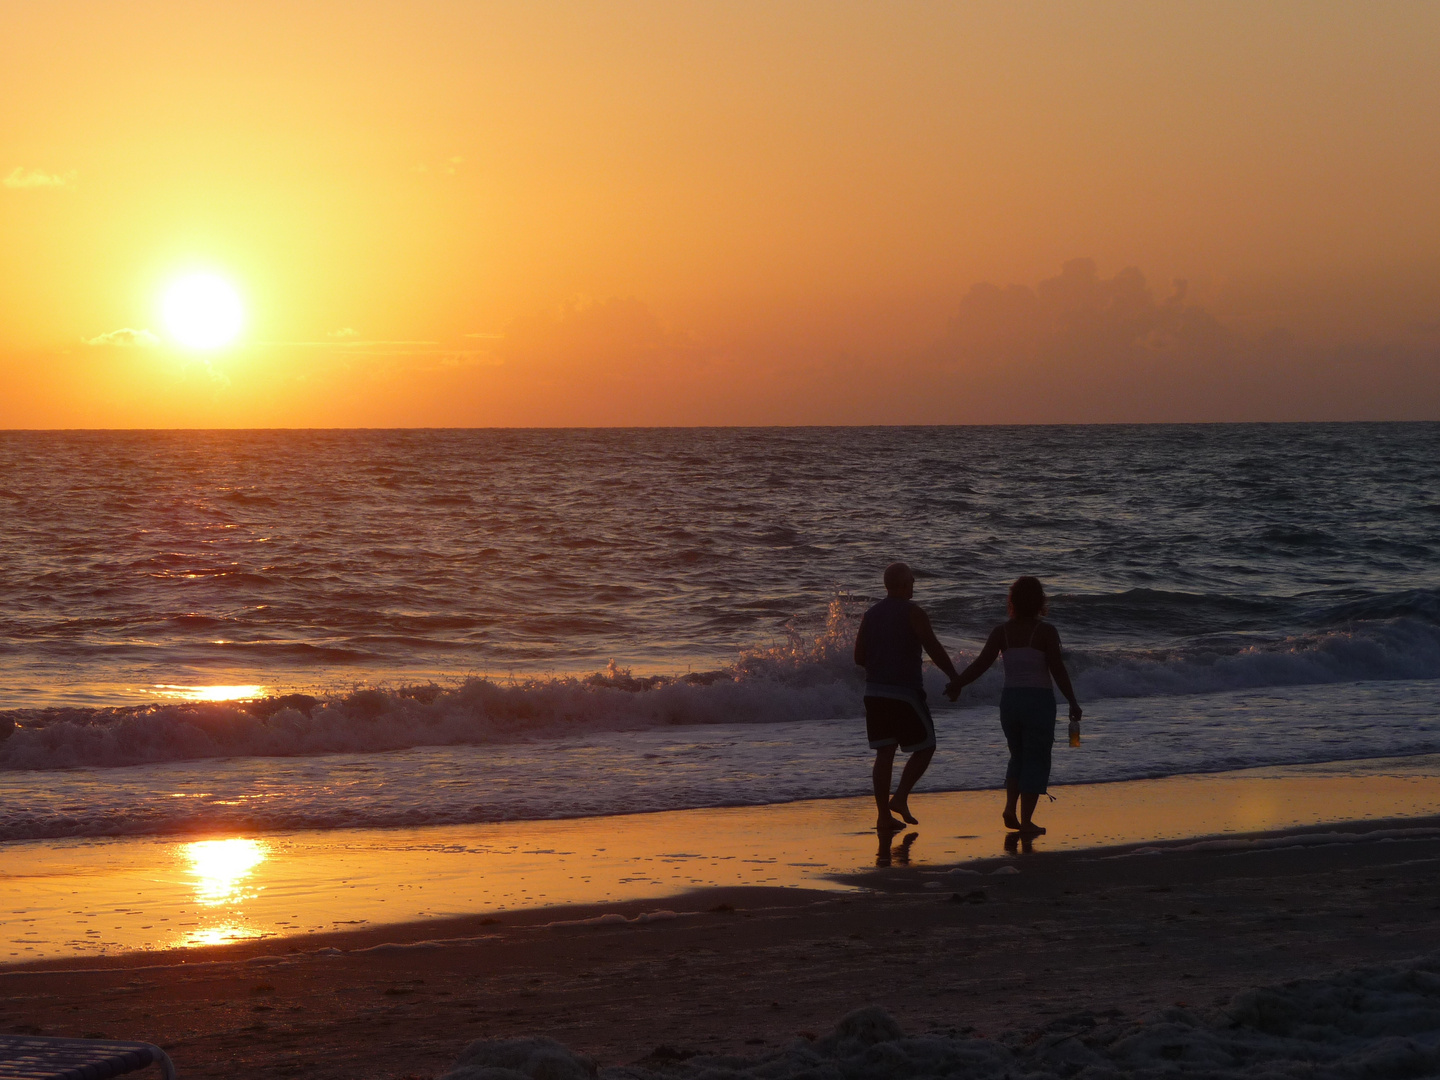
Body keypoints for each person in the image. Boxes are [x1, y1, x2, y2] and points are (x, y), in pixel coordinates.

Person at [950, 576, 1081, 836]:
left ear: (1012, 601)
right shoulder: (1045, 631)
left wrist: (958, 683)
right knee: (1037, 759)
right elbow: (1057, 669)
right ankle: (1026, 821)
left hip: (1010, 702)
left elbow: (981, 664)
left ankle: (1010, 806)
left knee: (1017, 756)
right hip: (1038, 702)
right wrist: (1072, 701)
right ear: (1040, 602)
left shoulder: (1002, 631)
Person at [853, 562, 963, 832]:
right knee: (926, 745)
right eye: (912, 581)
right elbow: (933, 647)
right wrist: (954, 677)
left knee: (884, 753)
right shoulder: (915, 613)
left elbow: (858, 657)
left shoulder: (871, 614)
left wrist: (882, 663)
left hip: (874, 693)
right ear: (903, 584)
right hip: (904, 693)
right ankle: (900, 797)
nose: (914, 584)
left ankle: (883, 816)